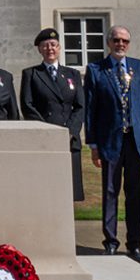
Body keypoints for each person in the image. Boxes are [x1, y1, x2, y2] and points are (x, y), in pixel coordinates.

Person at [85, 26, 140, 264]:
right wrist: (93, 144)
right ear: (108, 42)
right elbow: (91, 110)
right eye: (116, 40)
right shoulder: (96, 70)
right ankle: (111, 243)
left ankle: (135, 245)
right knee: (110, 192)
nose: (120, 44)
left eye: (125, 40)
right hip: (110, 141)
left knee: (136, 195)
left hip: (138, 142)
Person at [21, 27, 85, 200]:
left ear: (59, 48)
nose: (50, 49)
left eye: (53, 45)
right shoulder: (32, 74)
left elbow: (80, 106)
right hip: (43, 139)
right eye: (45, 45)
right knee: (45, 189)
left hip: (69, 139)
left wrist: (70, 131)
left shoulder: (73, 74)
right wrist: (46, 131)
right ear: (40, 49)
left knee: (69, 191)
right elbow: (27, 105)